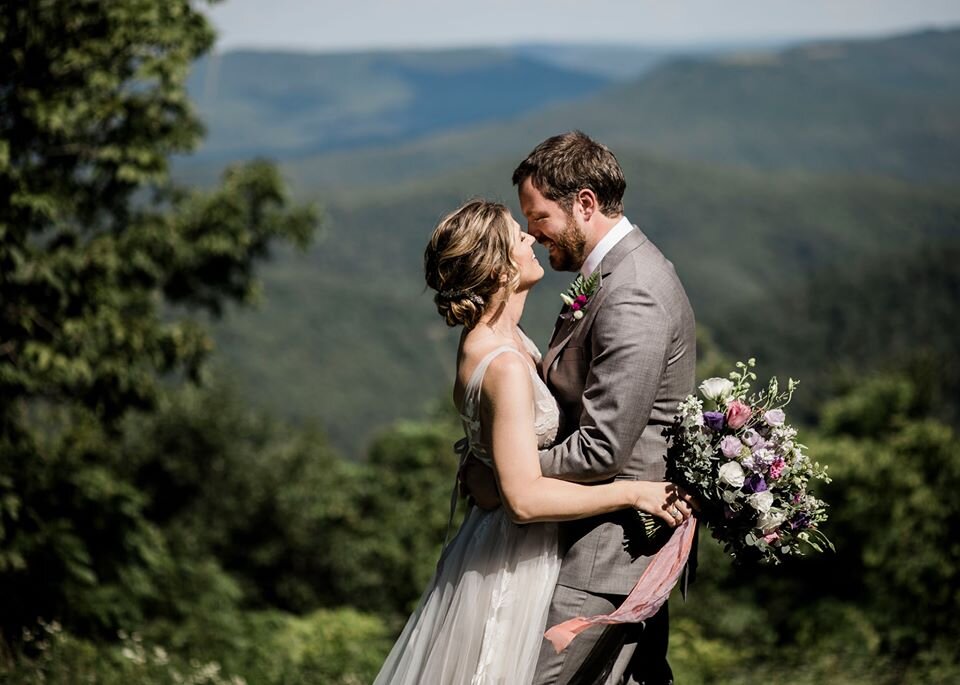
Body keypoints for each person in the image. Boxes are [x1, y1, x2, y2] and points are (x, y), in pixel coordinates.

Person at [372, 199, 695, 685]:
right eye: (515, 236)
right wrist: (634, 492)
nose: (529, 237)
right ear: (500, 268)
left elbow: (500, 450)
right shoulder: (502, 363)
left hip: (511, 540)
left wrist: (486, 468)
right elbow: (522, 500)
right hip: (513, 557)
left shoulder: (502, 339)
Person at [463, 131, 697, 684]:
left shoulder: (634, 290)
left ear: (584, 203)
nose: (533, 234)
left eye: (538, 217)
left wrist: (503, 468)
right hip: (587, 549)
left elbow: (601, 450)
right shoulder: (609, 276)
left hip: (604, 558)